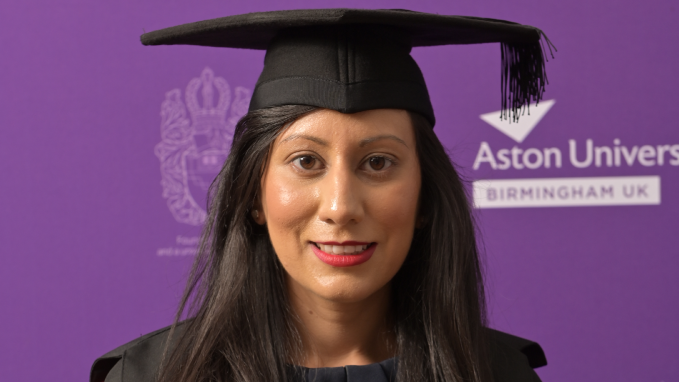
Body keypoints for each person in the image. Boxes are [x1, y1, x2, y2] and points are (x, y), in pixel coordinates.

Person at [91, 8, 554, 382]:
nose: (340, 207)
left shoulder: (496, 373)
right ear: (253, 194)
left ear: (425, 199)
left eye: (378, 163)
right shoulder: (154, 376)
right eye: (306, 162)